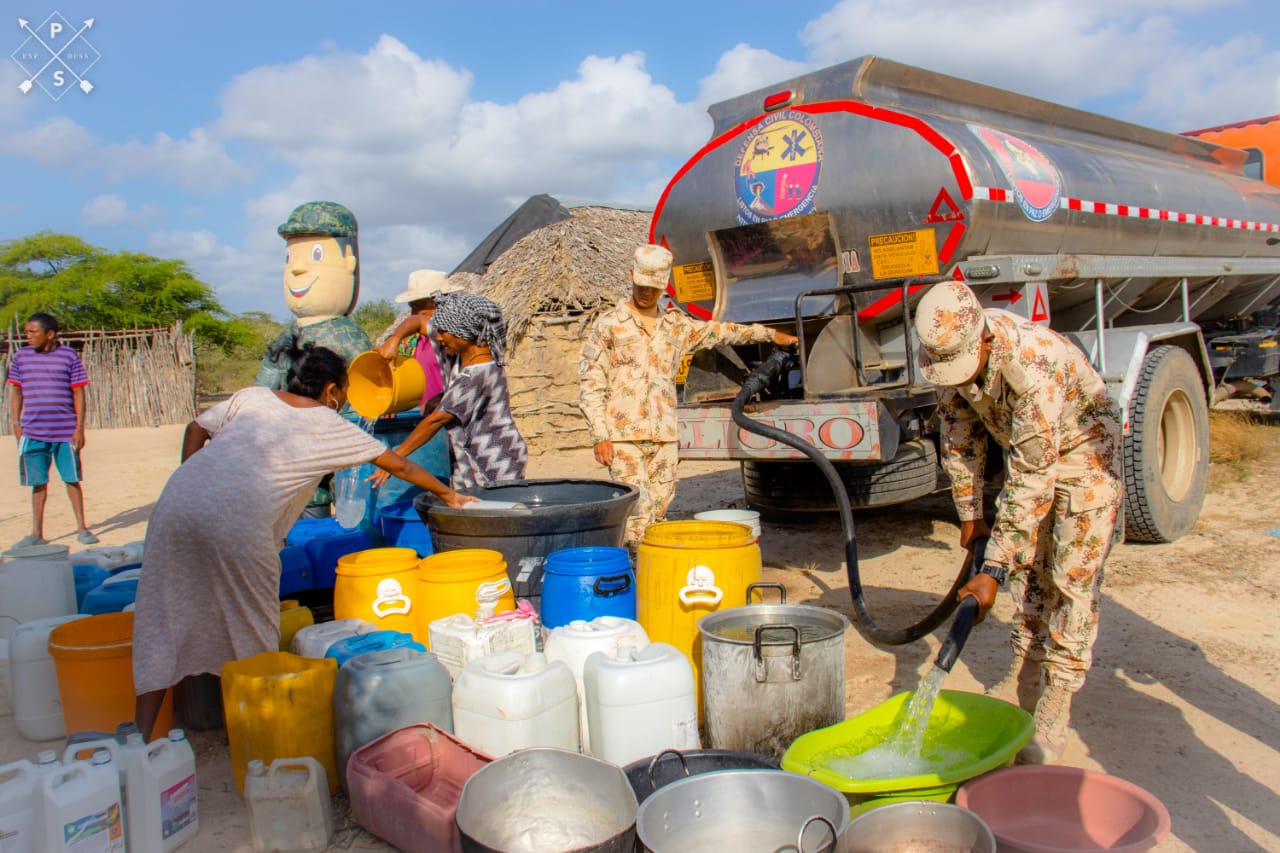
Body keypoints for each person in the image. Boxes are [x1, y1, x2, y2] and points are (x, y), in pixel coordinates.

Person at [132, 345, 475, 739]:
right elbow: (399, 464)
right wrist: (448, 496)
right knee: (253, 633)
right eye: (344, 392)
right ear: (331, 391)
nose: (344, 400)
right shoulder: (330, 425)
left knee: (163, 616)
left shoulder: (253, 397)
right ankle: (257, 737)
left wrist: (196, 479)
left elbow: (197, 428)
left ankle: (141, 737)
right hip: (238, 525)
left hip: (175, 504)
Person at [913, 280, 1122, 765]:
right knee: (1028, 572)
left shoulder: (1033, 366)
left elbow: (1031, 479)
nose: (957, 379)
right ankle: (1028, 671)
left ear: (984, 340)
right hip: (1032, 455)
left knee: (1069, 580)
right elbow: (961, 441)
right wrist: (971, 517)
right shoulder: (952, 357)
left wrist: (992, 567)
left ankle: (1056, 701)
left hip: (1084, 456)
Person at [579, 244, 798, 547]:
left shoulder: (676, 326)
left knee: (659, 509)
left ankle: (652, 571)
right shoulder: (608, 326)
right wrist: (599, 434)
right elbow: (591, 382)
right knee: (635, 511)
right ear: (631, 276)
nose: (645, 293)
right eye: (641, 285)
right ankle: (633, 570)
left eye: (654, 288)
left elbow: (722, 332)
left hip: (665, 435)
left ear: (663, 287)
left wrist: (771, 335)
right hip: (622, 436)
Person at [372, 293, 527, 490]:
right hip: (467, 454)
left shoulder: (478, 374)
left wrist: (393, 460)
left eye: (443, 332)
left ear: (463, 332)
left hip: (496, 457)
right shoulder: (458, 353)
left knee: (493, 514)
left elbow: (434, 421)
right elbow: (418, 321)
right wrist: (394, 339)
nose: (437, 337)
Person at [7, 312, 99, 549]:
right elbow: (15, 391)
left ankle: (82, 527)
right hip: (33, 431)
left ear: (49, 334)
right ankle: (36, 532)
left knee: (72, 479)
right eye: (26, 332)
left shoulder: (68, 356)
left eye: (33, 332)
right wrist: (16, 424)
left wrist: (79, 427)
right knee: (38, 483)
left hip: (65, 431)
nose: (28, 336)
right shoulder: (21, 357)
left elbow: (79, 392)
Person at [375, 268, 468, 410]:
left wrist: (444, 398)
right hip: (414, 417)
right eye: (415, 307)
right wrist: (391, 403)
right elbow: (393, 377)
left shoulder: (455, 339)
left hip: (449, 414)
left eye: (427, 305)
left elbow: (469, 380)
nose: (420, 312)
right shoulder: (408, 343)